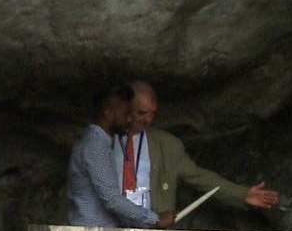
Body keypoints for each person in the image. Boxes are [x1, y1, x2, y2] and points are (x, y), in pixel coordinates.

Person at [115, 81, 279, 215]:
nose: (149, 119)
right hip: (108, 228)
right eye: (142, 113)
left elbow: (200, 177)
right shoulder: (102, 140)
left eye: (152, 113)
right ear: (126, 108)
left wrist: (242, 194)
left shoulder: (167, 145)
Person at [68, 86, 174, 229]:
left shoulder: (98, 143)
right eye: (126, 113)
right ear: (108, 113)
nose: (130, 119)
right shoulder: (96, 147)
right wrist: (154, 219)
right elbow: (112, 200)